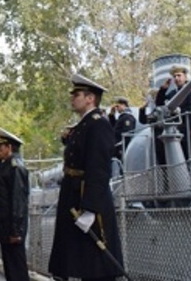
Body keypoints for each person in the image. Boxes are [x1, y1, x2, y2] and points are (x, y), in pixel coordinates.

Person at [48, 74, 124, 281]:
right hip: (73, 193)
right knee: (78, 261)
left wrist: (90, 209)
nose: (72, 98)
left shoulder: (98, 124)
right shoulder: (84, 124)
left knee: (95, 264)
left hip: (86, 196)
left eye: (77, 95)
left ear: (90, 98)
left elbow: (99, 169)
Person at [0, 128, 30, 281]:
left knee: (17, 268)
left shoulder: (15, 168)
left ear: (9, 148)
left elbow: (18, 201)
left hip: (12, 228)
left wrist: (16, 231)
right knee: (10, 268)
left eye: (0, 147)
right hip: (5, 226)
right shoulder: (5, 166)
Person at [154, 65, 191, 191]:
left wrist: (187, 128)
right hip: (178, 134)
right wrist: (163, 90)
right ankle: (183, 189)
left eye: (179, 75)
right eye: (174, 76)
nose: (177, 78)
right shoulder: (173, 93)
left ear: (185, 76)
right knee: (180, 163)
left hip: (190, 133)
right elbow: (160, 105)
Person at [108, 96, 137, 161]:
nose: (117, 108)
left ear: (123, 105)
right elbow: (114, 128)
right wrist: (111, 116)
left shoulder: (127, 118)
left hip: (121, 147)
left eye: (118, 106)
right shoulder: (122, 117)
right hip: (117, 146)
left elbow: (126, 134)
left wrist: (121, 147)